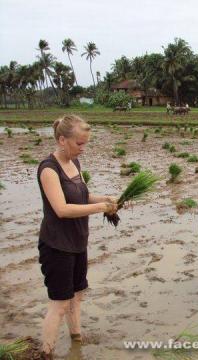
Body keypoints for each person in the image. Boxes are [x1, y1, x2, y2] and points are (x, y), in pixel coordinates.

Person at [37, 115, 117, 359]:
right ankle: (45, 352)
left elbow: (83, 196)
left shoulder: (75, 164)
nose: (83, 149)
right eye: (79, 144)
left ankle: (76, 341)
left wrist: (107, 200)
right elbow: (62, 209)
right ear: (62, 140)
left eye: (85, 144)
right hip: (57, 246)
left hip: (78, 242)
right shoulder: (48, 169)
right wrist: (99, 209)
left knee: (77, 297)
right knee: (60, 304)